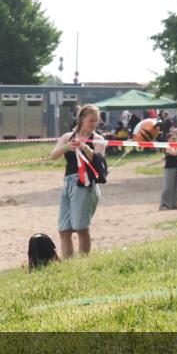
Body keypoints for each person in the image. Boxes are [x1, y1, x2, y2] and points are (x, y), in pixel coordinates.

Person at [49, 104, 107, 257]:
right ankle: (68, 262)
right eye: (91, 121)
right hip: (68, 183)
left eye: (96, 121)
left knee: (81, 228)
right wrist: (67, 147)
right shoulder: (67, 137)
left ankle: (83, 261)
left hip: (86, 185)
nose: (94, 124)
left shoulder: (99, 140)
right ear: (81, 119)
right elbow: (53, 155)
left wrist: (88, 150)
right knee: (64, 229)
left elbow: (99, 163)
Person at [159, 130, 177, 210]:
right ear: (168, 140)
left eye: (175, 139)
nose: (174, 140)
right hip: (169, 168)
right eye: (173, 139)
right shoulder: (167, 147)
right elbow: (175, 153)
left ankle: (175, 204)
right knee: (168, 187)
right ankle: (165, 204)